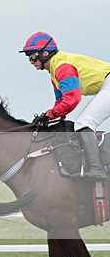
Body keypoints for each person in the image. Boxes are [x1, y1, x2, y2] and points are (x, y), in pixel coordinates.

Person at [21, 31, 110, 179]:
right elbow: (60, 102)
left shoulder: (63, 67)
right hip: (106, 85)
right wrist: (46, 117)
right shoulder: (54, 72)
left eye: (33, 56)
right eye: (28, 58)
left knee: (83, 123)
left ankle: (97, 168)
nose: (31, 61)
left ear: (45, 53)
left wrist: (49, 114)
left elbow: (72, 100)